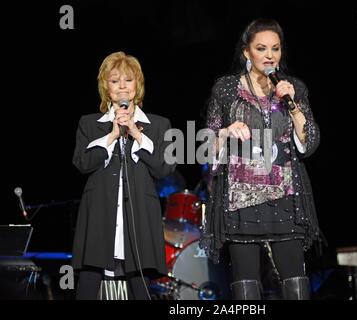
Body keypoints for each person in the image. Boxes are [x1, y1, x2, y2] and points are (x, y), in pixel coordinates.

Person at [200, 19, 322, 300]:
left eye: (275, 49)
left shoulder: (294, 89)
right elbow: (207, 148)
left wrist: (293, 107)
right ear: (247, 53)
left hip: (285, 195)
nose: (270, 55)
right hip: (241, 199)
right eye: (261, 48)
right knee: (246, 284)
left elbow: (310, 143)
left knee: (295, 280)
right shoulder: (227, 89)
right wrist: (226, 132)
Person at [72, 51, 175, 299]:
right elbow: (82, 163)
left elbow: (165, 168)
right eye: (114, 80)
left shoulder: (160, 125)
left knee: (140, 285)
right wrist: (112, 136)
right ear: (105, 87)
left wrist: (137, 134)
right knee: (88, 283)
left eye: (128, 80)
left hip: (139, 215)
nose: (121, 86)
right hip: (98, 215)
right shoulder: (89, 123)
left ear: (137, 85)